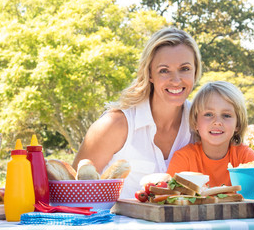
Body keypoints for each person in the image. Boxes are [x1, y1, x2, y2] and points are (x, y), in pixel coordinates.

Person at [73, 27, 202, 198]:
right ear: (149, 74)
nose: (176, 80)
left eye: (185, 68)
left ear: (195, 71)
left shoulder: (202, 124)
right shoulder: (114, 125)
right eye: (164, 70)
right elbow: (72, 194)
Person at [167, 81, 254, 187]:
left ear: (237, 124)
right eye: (209, 114)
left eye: (226, 115)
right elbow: (170, 196)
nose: (217, 121)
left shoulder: (246, 158)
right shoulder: (184, 158)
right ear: (195, 122)